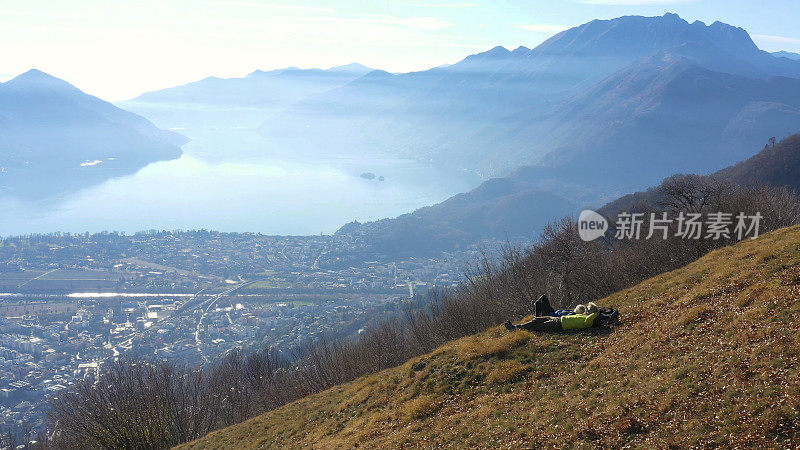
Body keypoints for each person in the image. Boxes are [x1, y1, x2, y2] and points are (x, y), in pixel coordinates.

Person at [505, 300, 601, 332]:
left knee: (539, 327)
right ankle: (516, 327)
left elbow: (591, 318)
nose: (586, 309)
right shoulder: (584, 316)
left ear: (592, 312)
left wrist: (595, 313)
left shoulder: (588, 321)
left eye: (588, 308)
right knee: (537, 320)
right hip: (559, 319)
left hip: (560, 325)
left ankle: (519, 329)